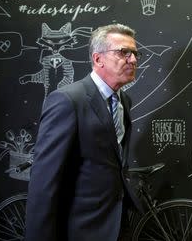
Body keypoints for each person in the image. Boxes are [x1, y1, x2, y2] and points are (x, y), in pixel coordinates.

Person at [25, 23, 144, 241]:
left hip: (117, 223)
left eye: (135, 53)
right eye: (123, 52)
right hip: (81, 227)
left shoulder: (124, 100)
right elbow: (44, 181)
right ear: (98, 59)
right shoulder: (67, 100)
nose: (133, 60)